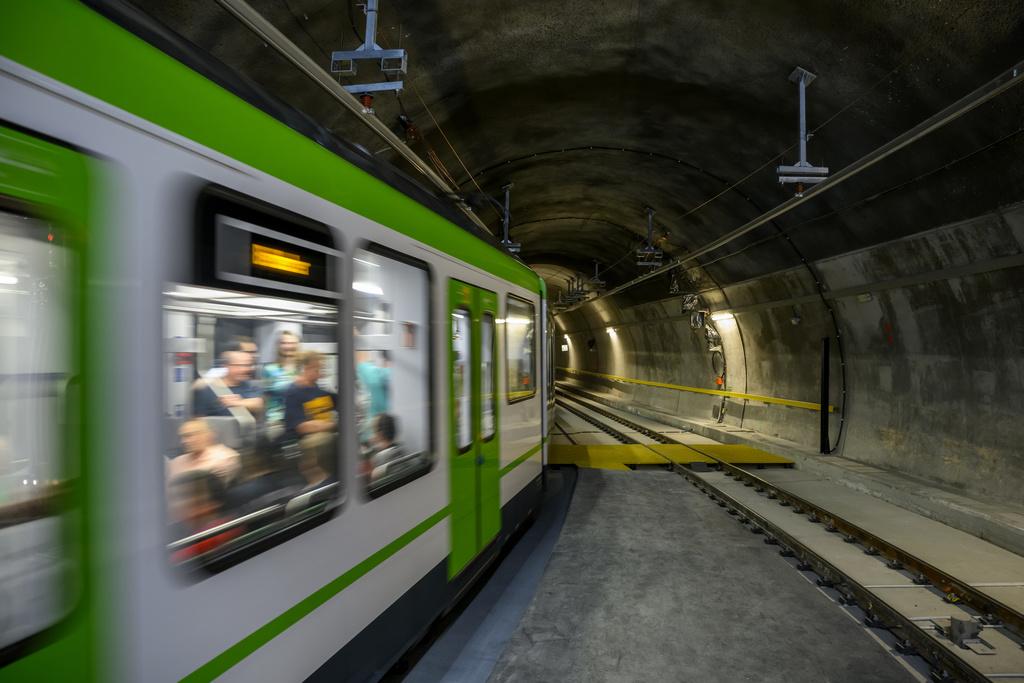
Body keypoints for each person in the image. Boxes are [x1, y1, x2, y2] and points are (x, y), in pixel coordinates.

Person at [168, 470, 241, 563]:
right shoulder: (183, 530)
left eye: (182, 496)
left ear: (213, 502)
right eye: (171, 497)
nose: (172, 504)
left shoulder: (215, 535)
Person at [167, 418, 242, 486]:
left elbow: (202, 488)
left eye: (189, 436)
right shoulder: (177, 461)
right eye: (182, 437)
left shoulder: (225, 458)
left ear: (208, 435)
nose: (183, 441)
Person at [192, 350, 264, 419]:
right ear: (227, 366)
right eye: (240, 366)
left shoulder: (250, 385)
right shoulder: (208, 390)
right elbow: (198, 419)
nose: (245, 369)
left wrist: (238, 402)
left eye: (248, 365)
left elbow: (258, 404)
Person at [263, 330, 300, 425]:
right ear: (278, 346)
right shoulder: (269, 369)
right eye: (284, 343)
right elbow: (264, 398)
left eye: (292, 343)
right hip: (278, 418)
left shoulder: (303, 368)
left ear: (297, 345)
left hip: (302, 417)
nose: (288, 346)